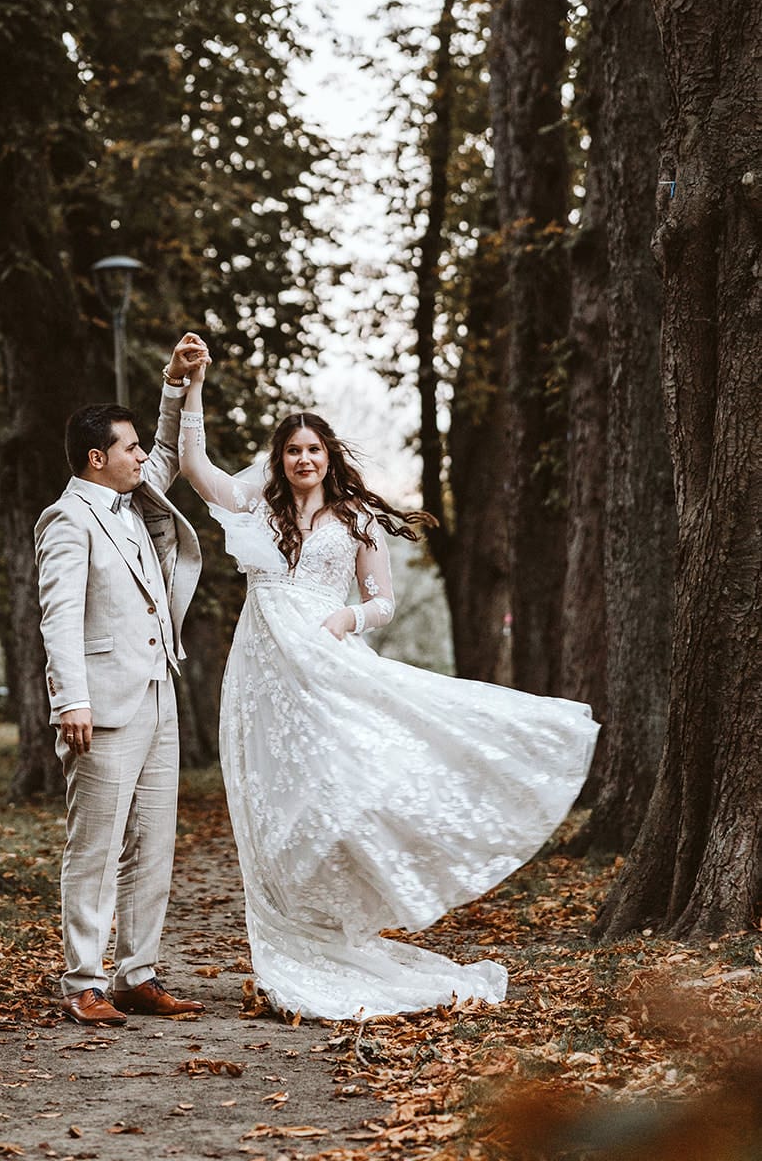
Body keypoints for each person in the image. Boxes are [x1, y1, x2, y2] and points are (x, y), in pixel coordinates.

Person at [178, 356, 599, 1022]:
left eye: (312, 449)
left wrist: (348, 616)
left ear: (328, 455)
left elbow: (382, 603)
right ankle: (289, 925)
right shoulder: (258, 508)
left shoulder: (356, 519)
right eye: (292, 450)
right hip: (261, 670)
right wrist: (189, 389)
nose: (303, 459)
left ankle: (332, 917)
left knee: (337, 782)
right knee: (270, 792)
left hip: (322, 658)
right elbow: (195, 468)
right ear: (279, 459)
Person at [34, 334, 211, 1026]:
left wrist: (174, 383)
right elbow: (58, 618)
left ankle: (138, 973)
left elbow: (164, 452)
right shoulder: (66, 519)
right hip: (101, 706)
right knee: (96, 847)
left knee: (153, 842)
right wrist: (69, 699)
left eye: (141, 447)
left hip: (158, 693)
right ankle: (83, 979)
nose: (143, 456)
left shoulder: (134, 498)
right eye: (129, 447)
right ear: (95, 458)